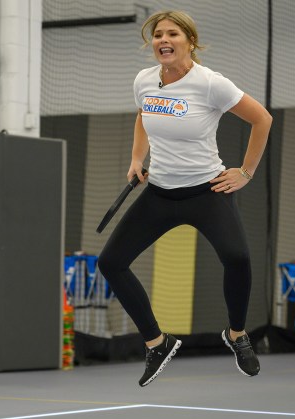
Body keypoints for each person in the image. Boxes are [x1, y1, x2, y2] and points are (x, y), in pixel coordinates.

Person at [98, 11, 272, 387]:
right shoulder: (145, 81)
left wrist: (245, 172)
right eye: (158, 34)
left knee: (237, 257)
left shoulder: (210, 83)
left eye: (172, 33)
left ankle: (238, 335)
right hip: (160, 192)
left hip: (206, 192)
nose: (164, 39)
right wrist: (136, 158)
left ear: (189, 41)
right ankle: (157, 343)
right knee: (111, 262)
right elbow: (143, 116)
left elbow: (262, 119)